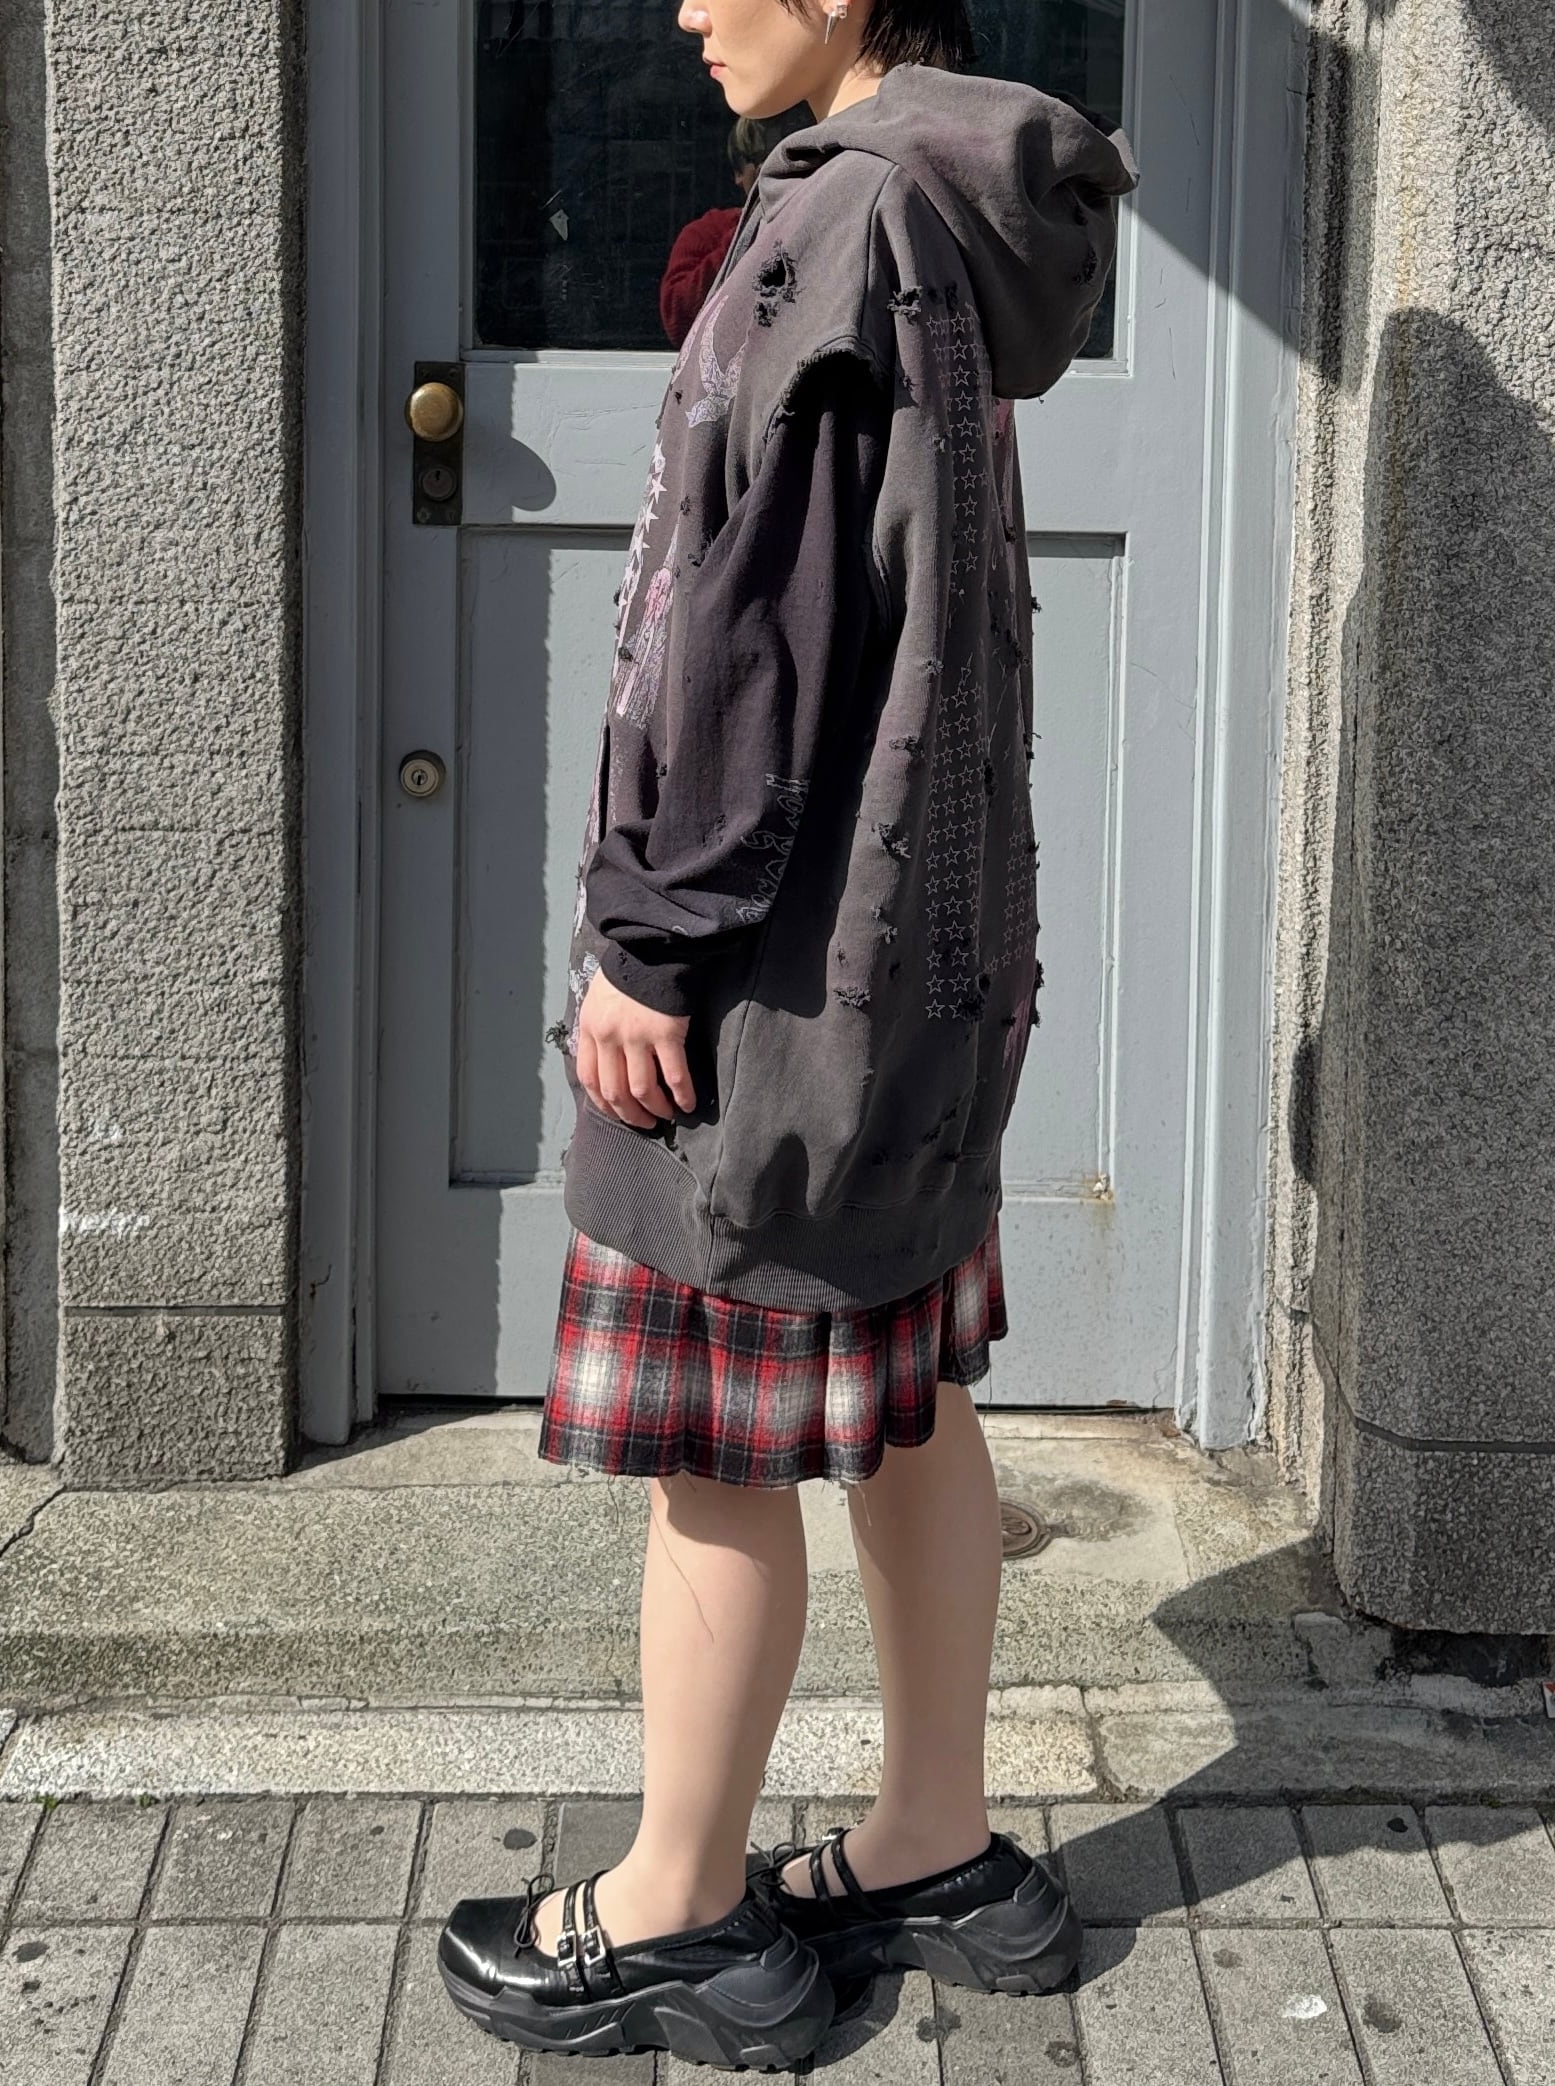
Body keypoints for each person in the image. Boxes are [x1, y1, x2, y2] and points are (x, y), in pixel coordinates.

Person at [438, 0, 1135, 2067]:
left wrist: (648, 946)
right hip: (907, 975)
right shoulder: (948, 206)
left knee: (706, 1445)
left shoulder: (847, 224)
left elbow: (757, 644)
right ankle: (935, 1842)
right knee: (908, 1401)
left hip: (776, 983)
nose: (677, 7)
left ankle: (674, 1911)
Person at [660, 115, 781, 347]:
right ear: (739, 172)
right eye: (764, 159)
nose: (781, 170)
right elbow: (678, 319)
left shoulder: (823, 225)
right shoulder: (708, 232)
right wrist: (751, 226)